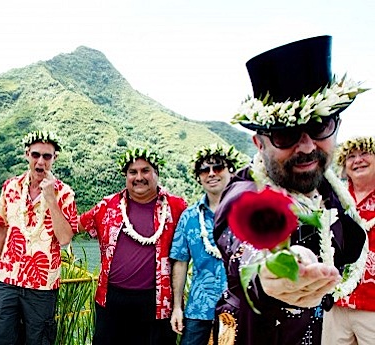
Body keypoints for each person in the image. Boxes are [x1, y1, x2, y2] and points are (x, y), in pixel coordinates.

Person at [213, 35, 367, 344]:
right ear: (259, 143)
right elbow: (242, 243)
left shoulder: (329, 191)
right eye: (286, 135)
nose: (307, 146)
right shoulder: (245, 195)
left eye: (321, 125)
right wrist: (271, 273)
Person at [79, 147, 187, 345]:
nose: (139, 177)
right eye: (132, 172)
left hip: (156, 300)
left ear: (157, 173)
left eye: (145, 170)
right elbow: (72, 227)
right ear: (126, 176)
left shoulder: (176, 207)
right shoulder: (107, 205)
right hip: (111, 299)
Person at [0, 130, 78, 345]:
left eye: (47, 156)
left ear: (54, 158)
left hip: (43, 285)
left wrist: (50, 198)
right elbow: (1, 229)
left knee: (38, 340)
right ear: (27, 154)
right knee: (0, 338)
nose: (40, 162)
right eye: (35, 155)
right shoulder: (10, 187)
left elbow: (64, 238)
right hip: (8, 278)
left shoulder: (65, 194)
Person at [170, 144, 246, 345]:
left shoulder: (248, 211)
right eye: (205, 170)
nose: (211, 173)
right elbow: (180, 262)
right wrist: (177, 307)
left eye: (218, 167)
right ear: (198, 177)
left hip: (241, 307)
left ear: (231, 170)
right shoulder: (189, 217)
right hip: (199, 309)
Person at [322, 136, 375, 345]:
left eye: (364, 154)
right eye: (351, 156)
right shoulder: (335, 199)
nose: (358, 160)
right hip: (337, 302)